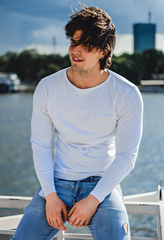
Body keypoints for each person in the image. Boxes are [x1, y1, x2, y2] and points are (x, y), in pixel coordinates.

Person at [13, 5, 143, 240]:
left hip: (103, 185)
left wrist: (93, 200)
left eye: (87, 45)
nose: (77, 50)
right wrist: (50, 196)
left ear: (104, 51)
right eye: (74, 42)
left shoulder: (127, 93)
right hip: (56, 184)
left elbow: (126, 157)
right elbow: (41, 146)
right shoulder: (48, 87)